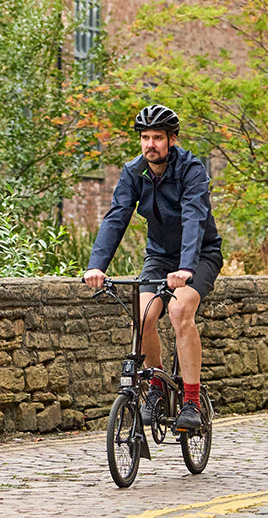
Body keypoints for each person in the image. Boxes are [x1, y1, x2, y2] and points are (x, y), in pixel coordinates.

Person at [83, 104, 223, 431]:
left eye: (157, 138)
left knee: (179, 312)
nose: (150, 145)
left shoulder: (191, 170)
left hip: (200, 253)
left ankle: (190, 400)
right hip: (160, 256)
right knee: (143, 316)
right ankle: (157, 386)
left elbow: (193, 219)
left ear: (172, 139)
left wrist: (187, 268)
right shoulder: (134, 172)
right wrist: (96, 266)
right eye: (145, 138)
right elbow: (116, 218)